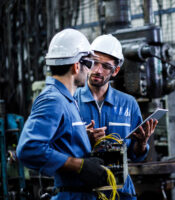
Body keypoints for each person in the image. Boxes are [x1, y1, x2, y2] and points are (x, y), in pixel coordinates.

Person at [16, 29, 108, 200]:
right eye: (88, 64)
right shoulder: (53, 100)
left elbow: (59, 140)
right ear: (76, 65)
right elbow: (29, 149)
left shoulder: (67, 99)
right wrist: (80, 165)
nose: (90, 71)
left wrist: (80, 138)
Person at [74, 34, 158, 199]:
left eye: (105, 66)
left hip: (121, 192)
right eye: (95, 62)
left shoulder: (128, 104)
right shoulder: (71, 101)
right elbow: (56, 150)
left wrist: (141, 143)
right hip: (82, 191)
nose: (98, 70)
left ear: (115, 71)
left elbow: (137, 155)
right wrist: (84, 139)